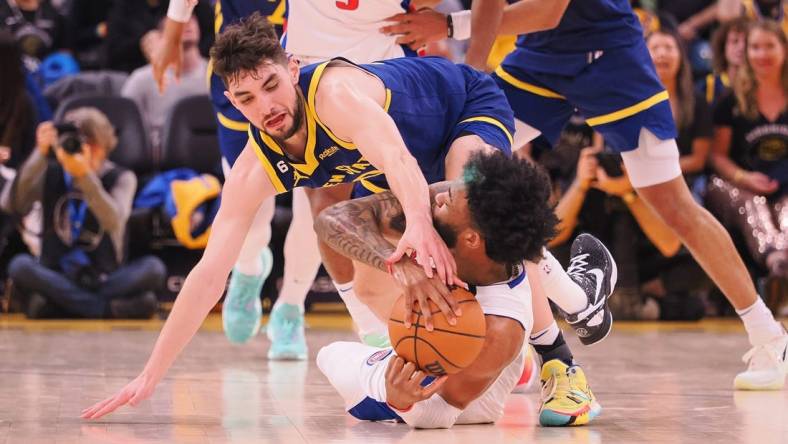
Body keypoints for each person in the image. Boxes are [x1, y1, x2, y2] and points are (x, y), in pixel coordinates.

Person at [385, 0, 788, 390]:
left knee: (674, 206)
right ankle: (564, 308)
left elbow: (546, 11)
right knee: (464, 178)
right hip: (540, 58)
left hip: (610, 57)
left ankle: (769, 337)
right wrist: (471, 78)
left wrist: (453, 25)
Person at [314, 152, 612, 428]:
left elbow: (438, 414)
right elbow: (332, 219)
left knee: (330, 355)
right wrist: (397, 264)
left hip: (470, 402)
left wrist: (401, 400)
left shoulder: (500, 328)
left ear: (470, 239)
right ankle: (580, 297)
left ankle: (558, 349)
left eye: (448, 199)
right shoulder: (475, 221)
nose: (439, 196)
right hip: (470, 349)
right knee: (513, 221)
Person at [4, 108, 166, 319]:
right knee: (20, 266)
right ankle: (105, 309)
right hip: (57, 272)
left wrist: (85, 177)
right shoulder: (49, 170)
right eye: (79, 143)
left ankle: (60, 307)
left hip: (105, 276)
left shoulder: (122, 177)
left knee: (153, 269)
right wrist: (39, 154)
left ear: (105, 147)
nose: (84, 150)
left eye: (93, 146)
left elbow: (114, 221)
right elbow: (11, 203)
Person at [709, 20, 788, 283]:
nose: (762, 54)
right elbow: (716, 155)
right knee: (751, 203)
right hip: (736, 184)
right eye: (755, 47)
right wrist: (744, 178)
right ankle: (776, 260)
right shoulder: (730, 100)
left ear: (784, 49)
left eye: (769, 46)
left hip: (783, 186)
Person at [121, 15, 207, 151]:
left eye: (192, 20)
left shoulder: (216, 75)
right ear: (162, 36)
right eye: (180, 21)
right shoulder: (141, 79)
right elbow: (125, 126)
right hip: (160, 162)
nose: (187, 23)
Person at [698, 17, 752, 107]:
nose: (741, 47)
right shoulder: (708, 86)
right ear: (723, 47)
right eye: (735, 41)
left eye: (747, 42)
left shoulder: (762, 87)